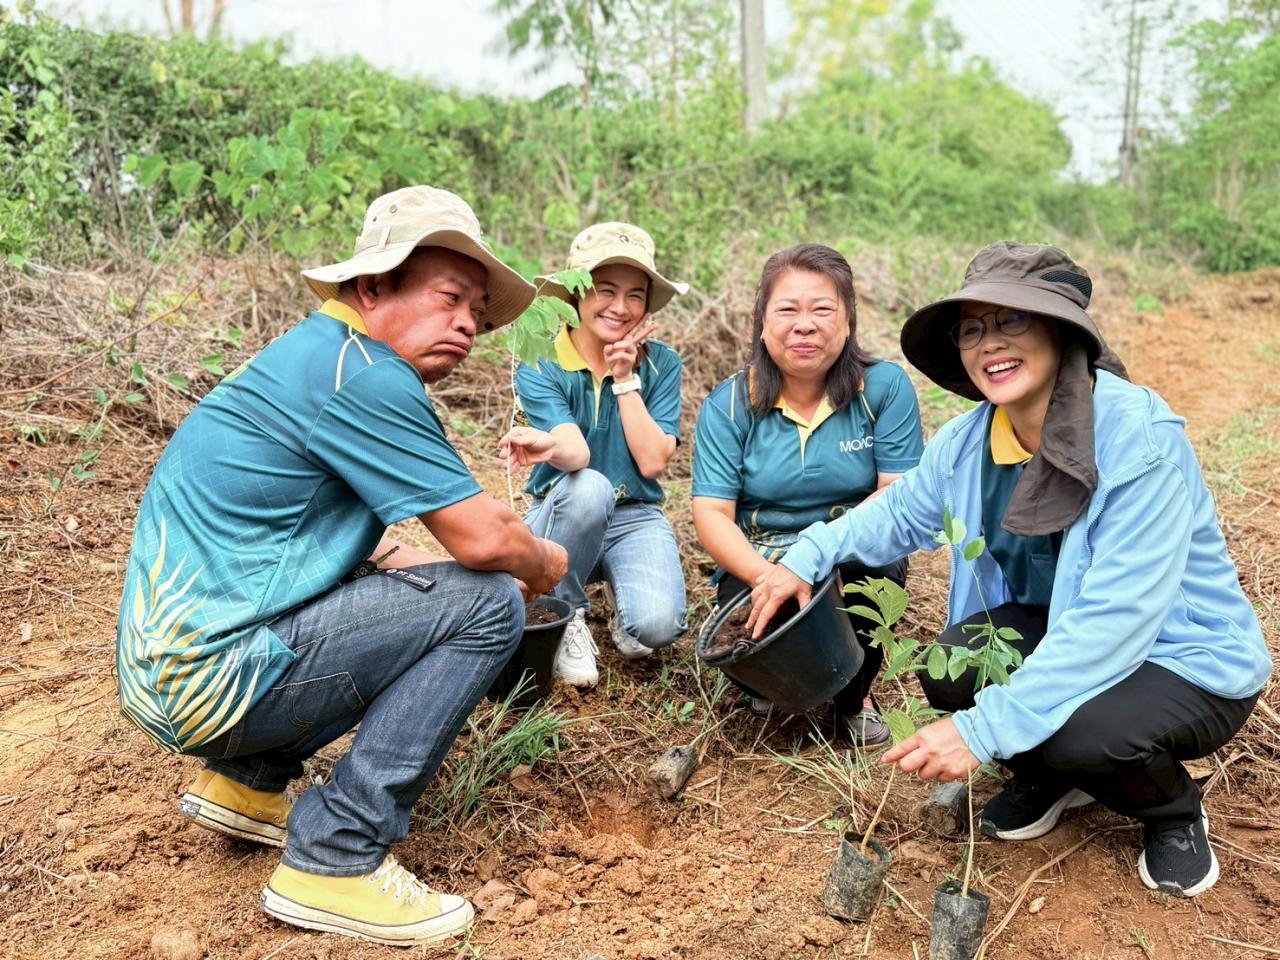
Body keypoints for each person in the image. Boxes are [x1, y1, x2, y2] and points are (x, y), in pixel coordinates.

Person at [115, 186, 569, 946]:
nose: (467, 324)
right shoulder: (365, 373)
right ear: (373, 286)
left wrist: (428, 579)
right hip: (212, 679)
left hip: (165, 674)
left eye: (478, 314)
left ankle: (249, 782)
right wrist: (547, 562)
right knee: (490, 601)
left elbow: (331, 539)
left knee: (419, 585)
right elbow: (488, 542)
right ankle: (338, 854)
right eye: (451, 297)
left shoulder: (315, 357)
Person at [750, 242, 1271, 896]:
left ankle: (1173, 812)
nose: (989, 342)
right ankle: (1054, 775)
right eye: (973, 328)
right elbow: (899, 513)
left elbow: (1118, 621)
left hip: (1180, 655)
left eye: (1013, 320)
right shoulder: (970, 442)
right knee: (955, 667)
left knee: (1087, 731)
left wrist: (981, 731)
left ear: (1060, 331)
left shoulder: (1138, 440)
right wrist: (804, 555)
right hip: (1062, 631)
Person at [691, 244, 924, 745]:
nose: (805, 325)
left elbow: (896, 496)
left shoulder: (882, 388)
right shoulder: (730, 405)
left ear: (848, 322)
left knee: (872, 580)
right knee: (744, 622)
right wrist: (766, 576)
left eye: (822, 310)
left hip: (853, 543)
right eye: (787, 309)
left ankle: (853, 697)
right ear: (761, 322)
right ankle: (774, 684)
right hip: (763, 553)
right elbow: (711, 512)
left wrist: (820, 556)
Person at [499, 222, 689, 688]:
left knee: (659, 626)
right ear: (576, 293)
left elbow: (652, 462)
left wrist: (626, 379)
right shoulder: (543, 359)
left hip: (634, 515)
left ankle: (627, 607)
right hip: (564, 508)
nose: (620, 308)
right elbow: (577, 453)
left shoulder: (661, 363)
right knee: (588, 486)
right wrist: (548, 447)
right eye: (606, 290)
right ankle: (568, 614)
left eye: (635, 295)